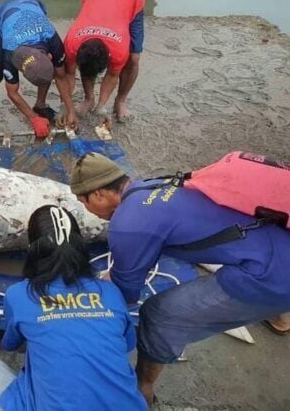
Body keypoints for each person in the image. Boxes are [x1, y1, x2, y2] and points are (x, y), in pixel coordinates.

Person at [69, 152, 290, 404]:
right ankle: (278, 315)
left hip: (271, 276)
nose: (87, 210)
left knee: (158, 315)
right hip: (279, 240)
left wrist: (108, 280)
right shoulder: (156, 185)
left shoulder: (127, 224)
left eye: (83, 202)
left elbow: (127, 293)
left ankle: (143, 386)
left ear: (99, 194)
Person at [0, 205, 147, 411]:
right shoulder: (111, 292)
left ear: (33, 251)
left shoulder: (19, 294)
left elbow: (11, 345)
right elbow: (128, 345)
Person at [0, 0, 76, 137]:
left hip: (32, 5)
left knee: (48, 70)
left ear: (49, 56)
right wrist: (33, 119)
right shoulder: (10, 51)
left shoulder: (53, 40)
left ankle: (40, 106)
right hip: (2, 15)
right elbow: (12, 92)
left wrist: (71, 111)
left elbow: (61, 75)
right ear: (21, 69)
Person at [61, 0, 145, 122]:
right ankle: (89, 99)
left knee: (133, 59)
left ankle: (120, 102)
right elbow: (68, 73)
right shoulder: (71, 43)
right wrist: (67, 107)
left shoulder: (118, 50)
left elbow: (113, 74)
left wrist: (102, 107)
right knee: (87, 68)